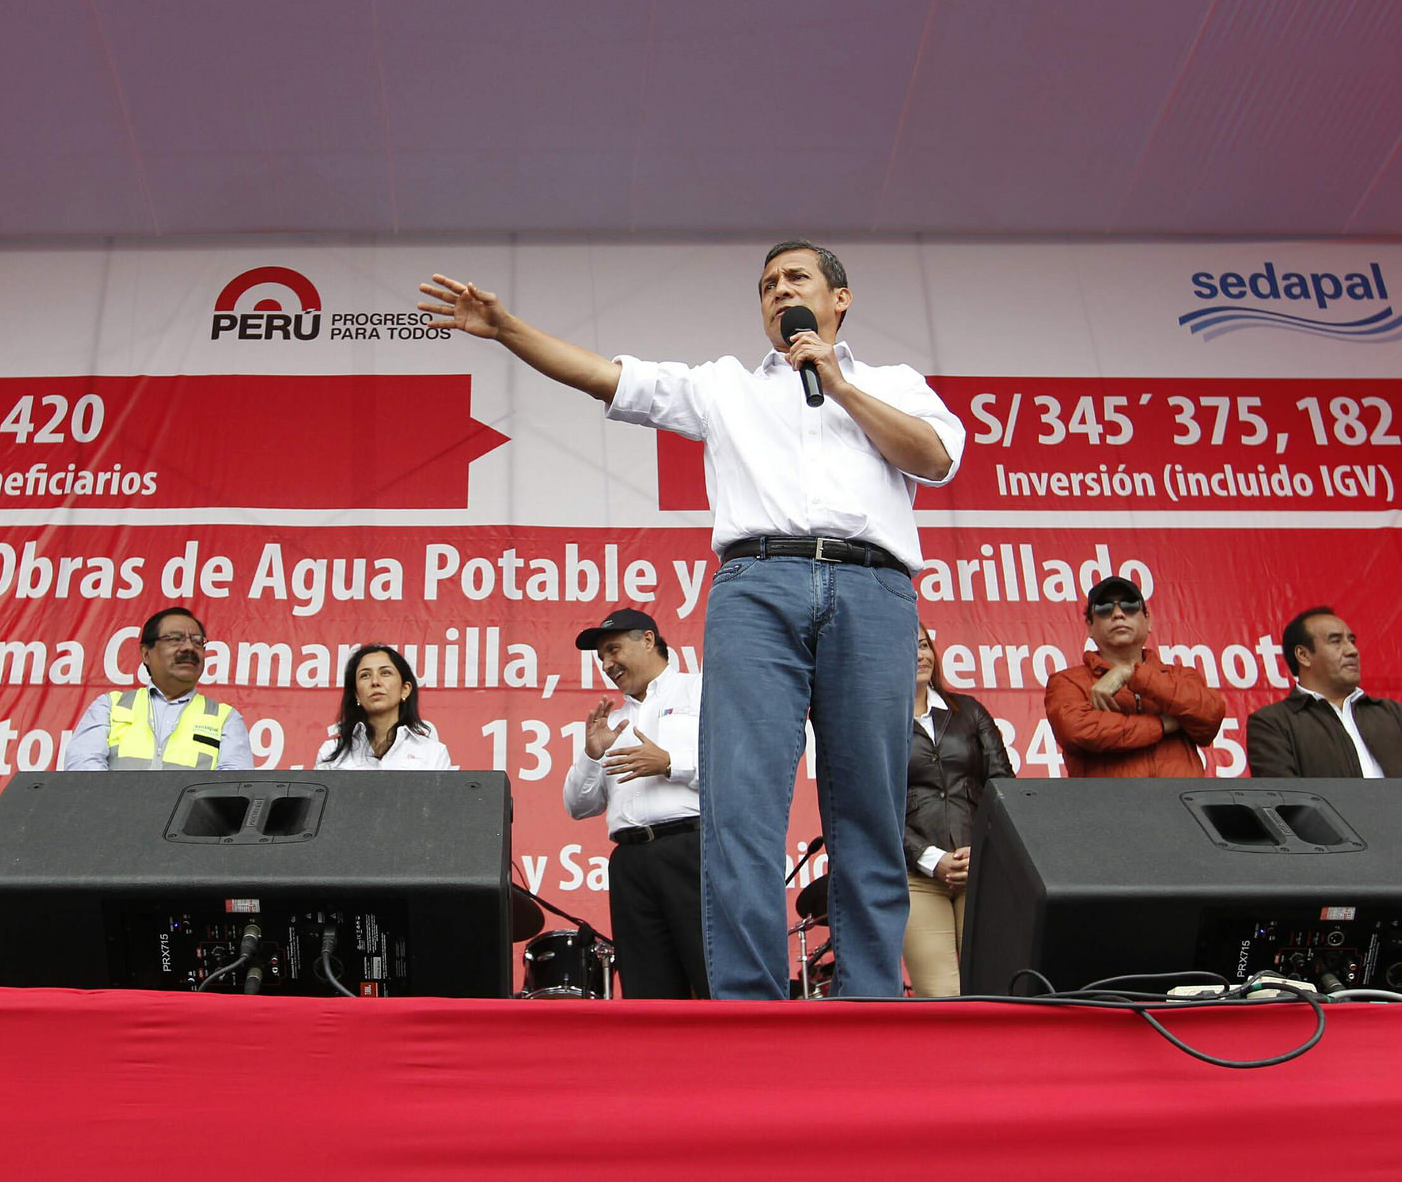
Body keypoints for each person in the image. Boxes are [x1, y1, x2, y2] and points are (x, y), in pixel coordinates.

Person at [422, 240, 963, 999]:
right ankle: (748, 1003)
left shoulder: (892, 381)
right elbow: (608, 376)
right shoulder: (724, 387)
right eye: (767, 284)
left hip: (873, 587)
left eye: (796, 279)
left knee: (870, 806)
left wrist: (837, 384)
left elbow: (935, 457)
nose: (779, 292)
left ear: (839, 297)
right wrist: (509, 329)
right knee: (741, 807)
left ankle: (868, 996)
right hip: (757, 582)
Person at [562, 608, 706, 998]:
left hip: (693, 851)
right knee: (647, 989)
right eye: (601, 659)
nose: (608, 664)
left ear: (647, 640)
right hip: (630, 862)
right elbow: (577, 805)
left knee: (713, 976)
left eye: (613, 650)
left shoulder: (700, 690)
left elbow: (743, 766)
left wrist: (672, 764)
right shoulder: (613, 723)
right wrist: (592, 755)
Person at [903, 625, 1012, 998]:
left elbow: (1004, 789)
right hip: (915, 876)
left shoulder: (969, 712)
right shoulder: (876, 723)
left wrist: (979, 850)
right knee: (942, 997)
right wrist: (932, 859)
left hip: (979, 870)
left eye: (923, 645)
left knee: (994, 992)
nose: (920, 655)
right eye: (906, 646)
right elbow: (875, 809)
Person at [1043, 577, 1225, 777]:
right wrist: (1162, 725)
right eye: (1104, 608)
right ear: (1089, 628)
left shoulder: (1181, 675)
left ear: (1148, 621)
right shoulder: (1067, 681)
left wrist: (1130, 674)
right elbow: (1078, 731)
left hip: (1179, 804)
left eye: (1130, 605)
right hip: (1109, 806)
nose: (1118, 614)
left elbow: (1210, 715)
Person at [1247, 607, 1402, 778]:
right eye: (1336, 641)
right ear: (1303, 655)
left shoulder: (1394, 714)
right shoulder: (1272, 723)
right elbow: (1285, 802)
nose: (1352, 650)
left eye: (1352, 640)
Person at [66, 607, 250, 771]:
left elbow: (232, 788)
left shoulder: (226, 718)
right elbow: (83, 770)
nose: (188, 647)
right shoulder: (110, 707)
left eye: (197, 641)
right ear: (146, 654)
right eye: (175, 639)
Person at [315, 645, 452, 769]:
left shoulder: (433, 753)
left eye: (385, 673)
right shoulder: (331, 752)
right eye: (365, 675)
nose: (375, 682)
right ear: (357, 694)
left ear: (405, 689)